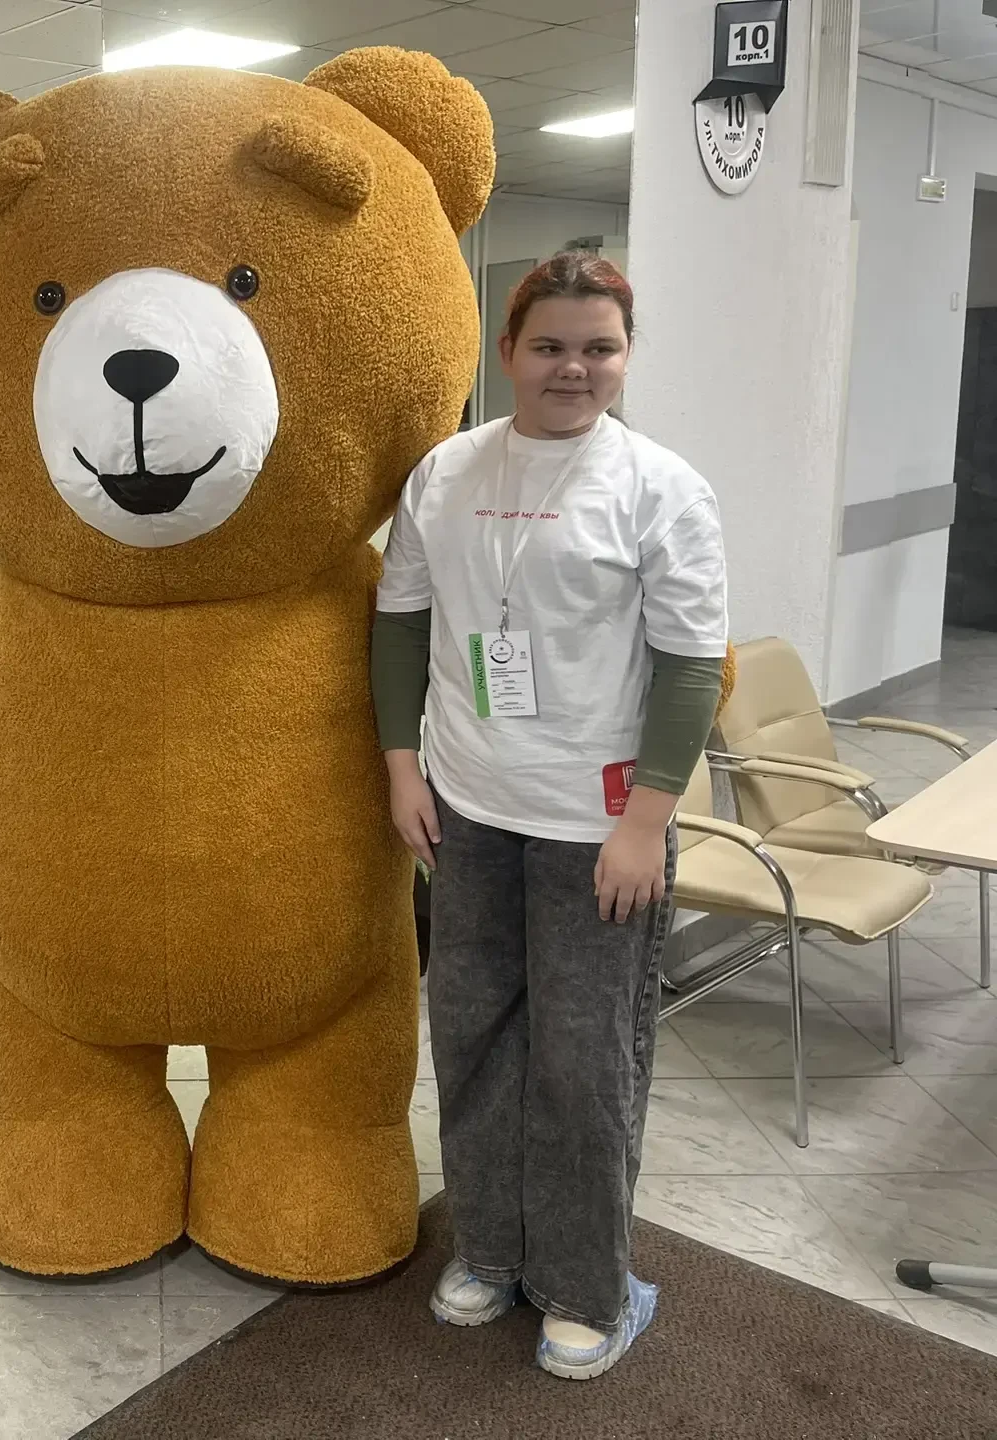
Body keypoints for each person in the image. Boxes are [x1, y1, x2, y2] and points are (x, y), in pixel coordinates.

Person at [370, 251, 729, 1380]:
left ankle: (587, 1287)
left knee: (584, 1062)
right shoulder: (446, 472)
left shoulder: (661, 488)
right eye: (551, 346)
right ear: (507, 351)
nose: (575, 368)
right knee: (472, 1031)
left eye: (600, 348)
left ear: (626, 356)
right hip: (468, 806)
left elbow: (691, 667)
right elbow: (401, 625)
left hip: (599, 826)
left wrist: (646, 824)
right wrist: (403, 768)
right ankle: (488, 1249)